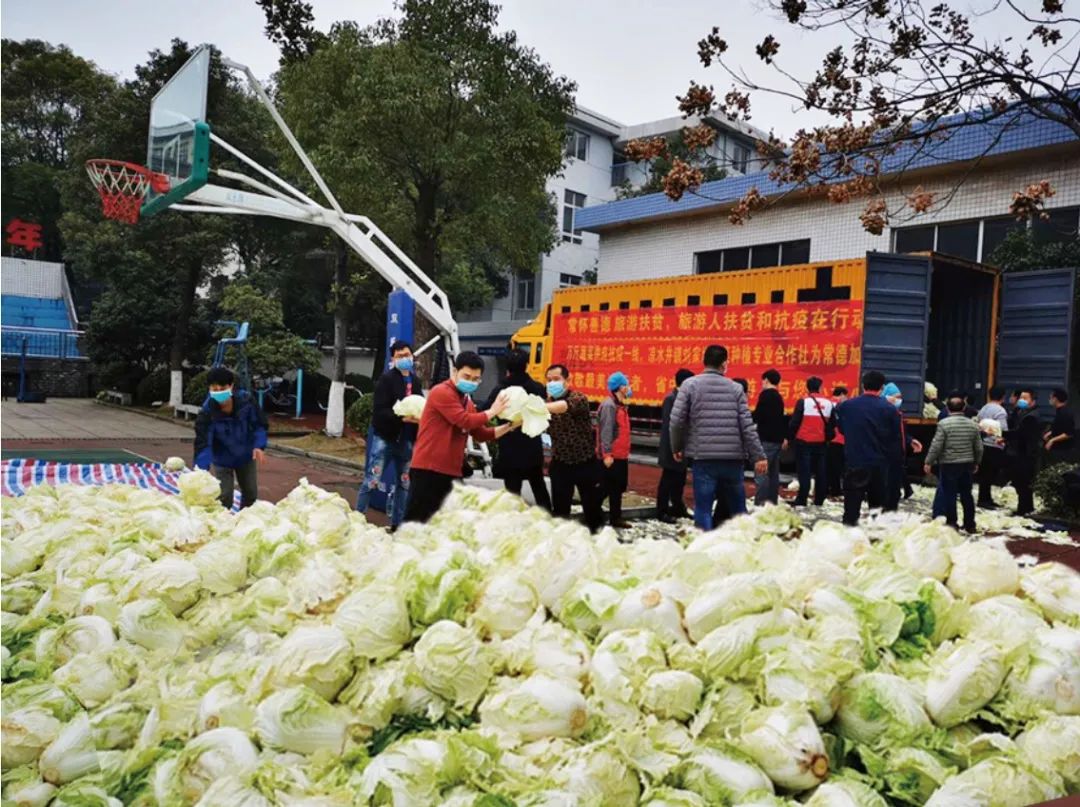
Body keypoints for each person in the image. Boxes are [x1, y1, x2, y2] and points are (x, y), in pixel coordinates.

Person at [404, 352, 517, 524]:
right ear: (455, 372)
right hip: (429, 469)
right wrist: (492, 411)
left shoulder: (466, 401)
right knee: (417, 523)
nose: (471, 382)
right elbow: (463, 420)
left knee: (443, 524)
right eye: (467, 376)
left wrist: (510, 426)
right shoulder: (441, 392)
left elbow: (480, 434)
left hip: (451, 471)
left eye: (475, 379)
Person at [670, 345, 767, 530]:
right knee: (739, 509)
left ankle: (705, 550)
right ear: (724, 364)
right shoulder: (736, 389)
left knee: (704, 509)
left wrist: (677, 447)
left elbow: (676, 421)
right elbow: (747, 426)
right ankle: (745, 546)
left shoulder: (690, 385)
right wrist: (759, 456)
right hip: (733, 460)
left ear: (704, 362)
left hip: (704, 458)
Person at [356, 340, 421, 529]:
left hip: (407, 441)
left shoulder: (415, 381)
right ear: (393, 358)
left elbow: (420, 405)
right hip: (385, 439)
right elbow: (379, 411)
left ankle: (397, 525)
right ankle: (357, 520)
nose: (404, 359)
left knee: (404, 485)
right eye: (400, 356)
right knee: (371, 481)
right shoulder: (386, 380)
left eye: (407, 355)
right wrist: (401, 417)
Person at [483, 350, 552, 511]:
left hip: (509, 447)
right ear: (526, 365)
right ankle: (549, 519)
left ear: (507, 368)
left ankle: (513, 523)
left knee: (513, 491)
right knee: (538, 486)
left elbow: (486, 410)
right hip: (532, 447)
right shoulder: (536, 388)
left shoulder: (499, 390)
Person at [194, 367, 267, 510]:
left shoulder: (246, 402)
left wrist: (259, 445)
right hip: (222, 458)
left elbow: (260, 424)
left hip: (245, 455)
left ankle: (245, 522)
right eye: (215, 388)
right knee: (225, 496)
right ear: (209, 388)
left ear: (231, 386)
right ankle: (223, 525)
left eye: (223, 387)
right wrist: (201, 470)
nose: (219, 391)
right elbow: (203, 443)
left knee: (251, 494)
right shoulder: (207, 413)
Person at [835, 370, 902, 526]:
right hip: (879, 464)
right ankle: (874, 542)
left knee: (851, 509)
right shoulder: (890, 409)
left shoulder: (846, 406)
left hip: (855, 462)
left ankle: (849, 538)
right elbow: (895, 438)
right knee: (877, 509)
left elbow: (842, 429)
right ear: (882, 388)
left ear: (863, 385)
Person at [544, 364, 605, 532]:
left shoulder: (578, 399)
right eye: (549, 380)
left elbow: (564, 407)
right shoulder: (546, 404)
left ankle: (597, 538)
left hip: (584, 463)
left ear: (567, 380)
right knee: (561, 512)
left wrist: (537, 407)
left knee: (592, 509)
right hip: (561, 463)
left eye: (556, 379)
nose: (551, 383)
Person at [924, 391, 983, 532]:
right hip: (967, 464)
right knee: (966, 494)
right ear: (964, 408)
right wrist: (977, 462)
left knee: (950, 494)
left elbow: (936, 445)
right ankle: (970, 524)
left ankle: (952, 523)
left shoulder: (944, 424)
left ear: (948, 409)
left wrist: (928, 461)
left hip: (949, 464)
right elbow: (979, 447)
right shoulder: (973, 425)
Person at [786, 376, 834, 507]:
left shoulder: (803, 402)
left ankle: (802, 499)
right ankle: (819, 500)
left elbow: (794, 423)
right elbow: (832, 424)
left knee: (804, 472)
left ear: (807, 388)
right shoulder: (829, 403)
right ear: (820, 387)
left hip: (803, 442)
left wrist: (788, 438)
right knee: (821, 472)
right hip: (821, 442)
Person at [656, 369, 694, 522]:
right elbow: (671, 426)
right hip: (672, 448)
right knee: (667, 480)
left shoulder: (686, 399)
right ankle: (662, 511)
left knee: (680, 480)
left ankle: (678, 507)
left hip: (682, 447)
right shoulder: (671, 399)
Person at [598, 371, 633, 528]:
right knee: (606, 487)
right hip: (612, 455)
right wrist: (607, 454)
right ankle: (591, 509)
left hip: (621, 454)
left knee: (618, 487)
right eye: (626, 384)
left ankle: (615, 518)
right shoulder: (609, 405)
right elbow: (606, 431)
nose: (629, 388)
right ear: (620, 387)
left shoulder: (621, 405)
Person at [882, 382, 921, 508]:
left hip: (898, 455)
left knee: (894, 485)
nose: (899, 400)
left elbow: (902, 432)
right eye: (896, 397)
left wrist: (910, 440)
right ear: (887, 396)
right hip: (886, 455)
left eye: (900, 397)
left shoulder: (898, 413)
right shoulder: (883, 412)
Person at [753, 369, 786, 506]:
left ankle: (760, 504)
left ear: (766, 380)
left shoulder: (765, 395)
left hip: (766, 439)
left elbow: (759, 415)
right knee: (773, 473)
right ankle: (772, 503)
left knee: (761, 473)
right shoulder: (778, 397)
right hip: (777, 439)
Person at [1008, 388, 1042, 517]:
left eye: (1025, 398)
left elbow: (1020, 434)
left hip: (1026, 454)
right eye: (1021, 397)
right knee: (1021, 482)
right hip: (1021, 452)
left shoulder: (1031, 417)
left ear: (1032, 401)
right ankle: (1025, 508)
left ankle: (1024, 509)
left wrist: (1002, 434)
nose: (1022, 400)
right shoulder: (1022, 412)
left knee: (1024, 483)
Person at [975, 385, 1009, 509]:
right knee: (990, 474)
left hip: (983, 443)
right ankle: (984, 500)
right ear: (1003, 397)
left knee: (984, 472)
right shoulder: (1000, 411)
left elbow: (978, 423)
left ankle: (985, 498)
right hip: (994, 445)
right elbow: (1002, 429)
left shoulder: (984, 408)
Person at [827, 386, 849, 496]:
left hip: (828, 439)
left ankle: (828, 488)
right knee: (838, 467)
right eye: (846, 396)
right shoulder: (842, 406)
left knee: (828, 467)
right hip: (840, 439)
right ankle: (836, 490)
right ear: (842, 394)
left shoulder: (827, 403)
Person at [1044, 388, 1076, 461]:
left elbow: (1069, 433)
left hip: (1063, 451)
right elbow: (1060, 427)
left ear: (1055, 399)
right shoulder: (1060, 411)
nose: (1049, 400)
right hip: (1059, 449)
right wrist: (1049, 433)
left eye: (1050, 397)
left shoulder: (1065, 413)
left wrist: (1052, 441)